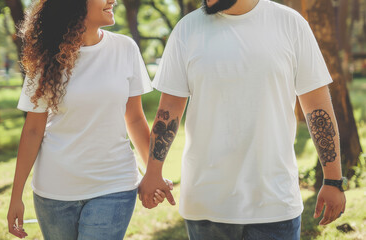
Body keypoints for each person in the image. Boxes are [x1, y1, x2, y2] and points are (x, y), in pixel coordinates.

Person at [138, 0, 347, 239]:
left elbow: (317, 108)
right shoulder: (187, 29)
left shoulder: (291, 24)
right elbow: (169, 111)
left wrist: (333, 180)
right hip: (206, 205)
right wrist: (153, 171)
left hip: (275, 204)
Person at [6, 0, 171, 239]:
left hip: (114, 185)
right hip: (54, 191)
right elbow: (33, 130)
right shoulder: (46, 56)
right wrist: (15, 196)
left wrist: (152, 173)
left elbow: (134, 118)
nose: (112, 0)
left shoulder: (125, 48)